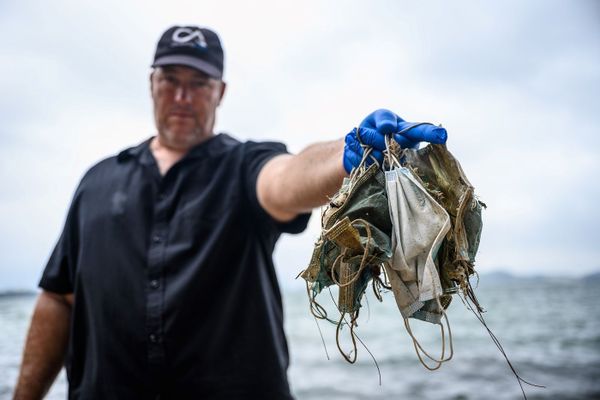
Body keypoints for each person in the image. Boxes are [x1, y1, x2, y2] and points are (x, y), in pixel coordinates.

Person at [14, 25, 447, 399]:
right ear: (151, 84)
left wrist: (345, 153)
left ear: (219, 91)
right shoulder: (96, 182)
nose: (183, 95)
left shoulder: (242, 166)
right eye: (170, 79)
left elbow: (288, 177)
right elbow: (59, 297)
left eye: (199, 82)